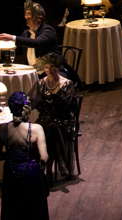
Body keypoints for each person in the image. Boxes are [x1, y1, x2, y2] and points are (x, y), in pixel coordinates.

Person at [0, 90, 50, 220]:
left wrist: (13, 156)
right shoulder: (36, 129)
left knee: (13, 210)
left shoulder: (3, 129)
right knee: (34, 210)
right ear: (28, 108)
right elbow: (44, 157)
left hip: (11, 173)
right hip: (31, 173)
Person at [31, 52, 77, 183]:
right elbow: (33, 102)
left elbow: (67, 108)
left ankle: (47, 167)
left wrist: (52, 99)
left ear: (58, 68)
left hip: (63, 120)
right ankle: (56, 164)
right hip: (45, 120)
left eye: (52, 68)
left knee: (51, 128)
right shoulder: (40, 83)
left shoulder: (67, 84)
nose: (49, 71)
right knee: (47, 128)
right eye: (46, 67)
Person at [0, 1, 59, 66]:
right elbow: (15, 47)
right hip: (31, 71)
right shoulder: (26, 33)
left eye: (29, 18)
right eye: (25, 18)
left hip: (50, 73)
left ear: (39, 18)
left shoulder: (48, 30)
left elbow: (37, 43)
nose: (26, 20)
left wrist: (12, 37)